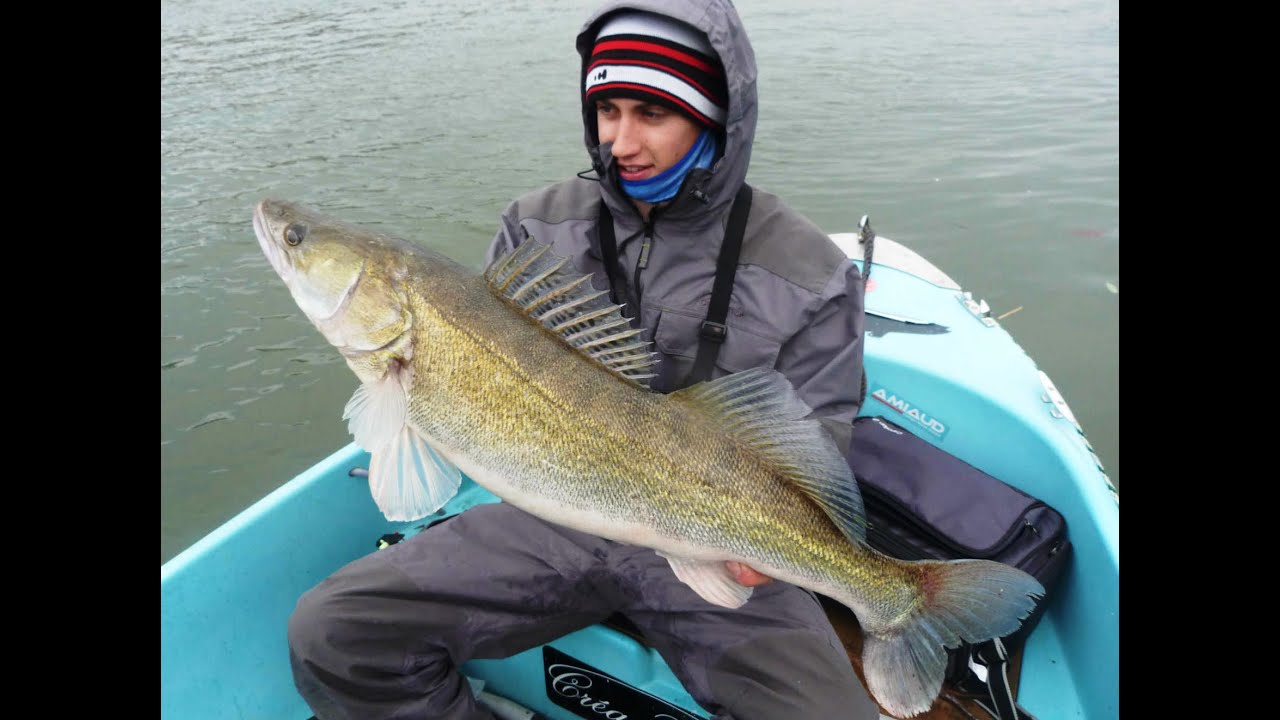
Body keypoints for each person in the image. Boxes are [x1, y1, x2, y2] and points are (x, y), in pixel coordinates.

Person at [287, 0, 873, 718]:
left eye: (652, 112)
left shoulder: (810, 272)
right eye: (608, 110)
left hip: (717, 535)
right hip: (551, 516)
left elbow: (818, 444)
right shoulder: (534, 225)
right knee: (336, 633)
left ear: (714, 117)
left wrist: (763, 549)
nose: (621, 140)